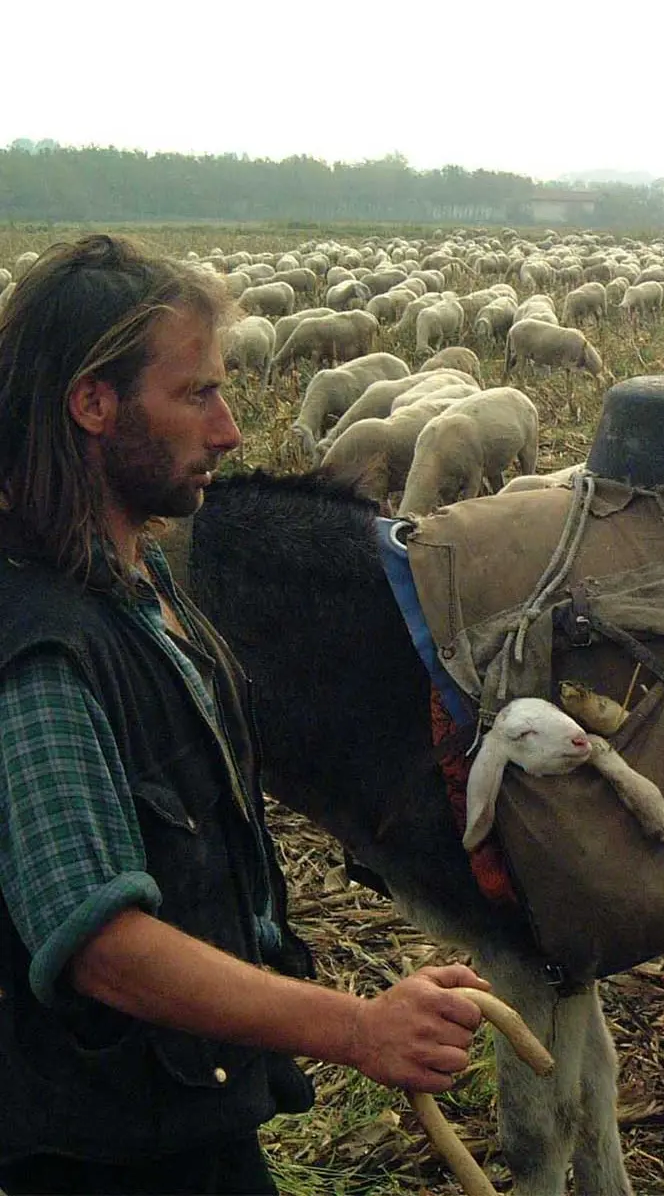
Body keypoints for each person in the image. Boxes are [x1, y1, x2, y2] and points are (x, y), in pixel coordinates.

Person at [0, 234, 490, 1195]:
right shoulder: (38, 651)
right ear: (93, 403)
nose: (229, 429)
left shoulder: (144, 589)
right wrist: (354, 1026)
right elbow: (98, 941)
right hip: (101, 1157)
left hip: (180, 1113)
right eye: (196, 396)